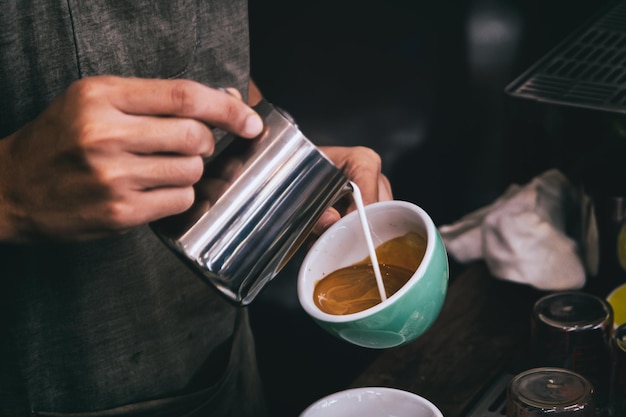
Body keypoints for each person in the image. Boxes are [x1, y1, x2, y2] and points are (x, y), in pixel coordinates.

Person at [0, 1, 392, 416]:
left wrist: (282, 160)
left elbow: (209, 51)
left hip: (217, 366)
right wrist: (10, 188)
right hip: (49, 376)